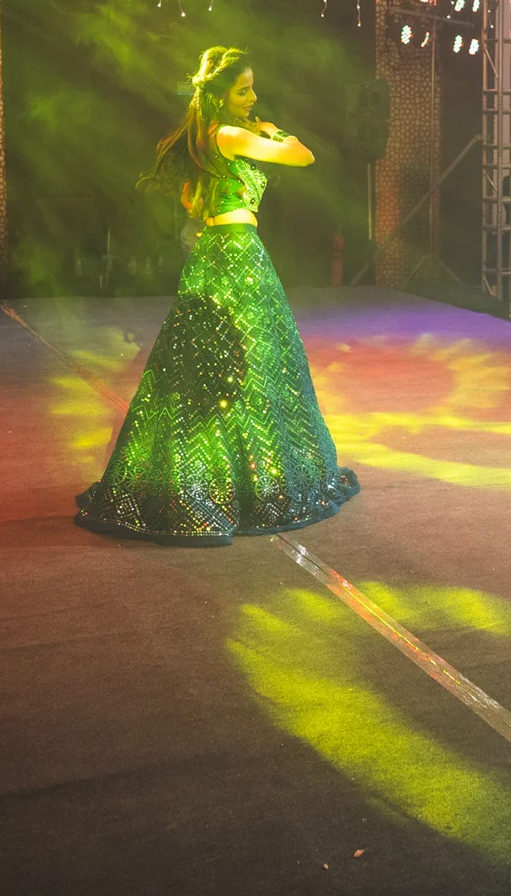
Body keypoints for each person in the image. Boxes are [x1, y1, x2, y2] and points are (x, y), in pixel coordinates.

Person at [77, 47, 359, 544]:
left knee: (220, 364)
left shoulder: (208, 139)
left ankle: (226, 475)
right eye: (244, 89)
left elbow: (192, 200)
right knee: (247, 363)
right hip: (236, 252)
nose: (253, 97)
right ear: (221, 95)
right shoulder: (229, 134)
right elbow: (303, 154)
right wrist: (272, 130)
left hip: (217, 248)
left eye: (253, 88)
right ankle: (242, 482)